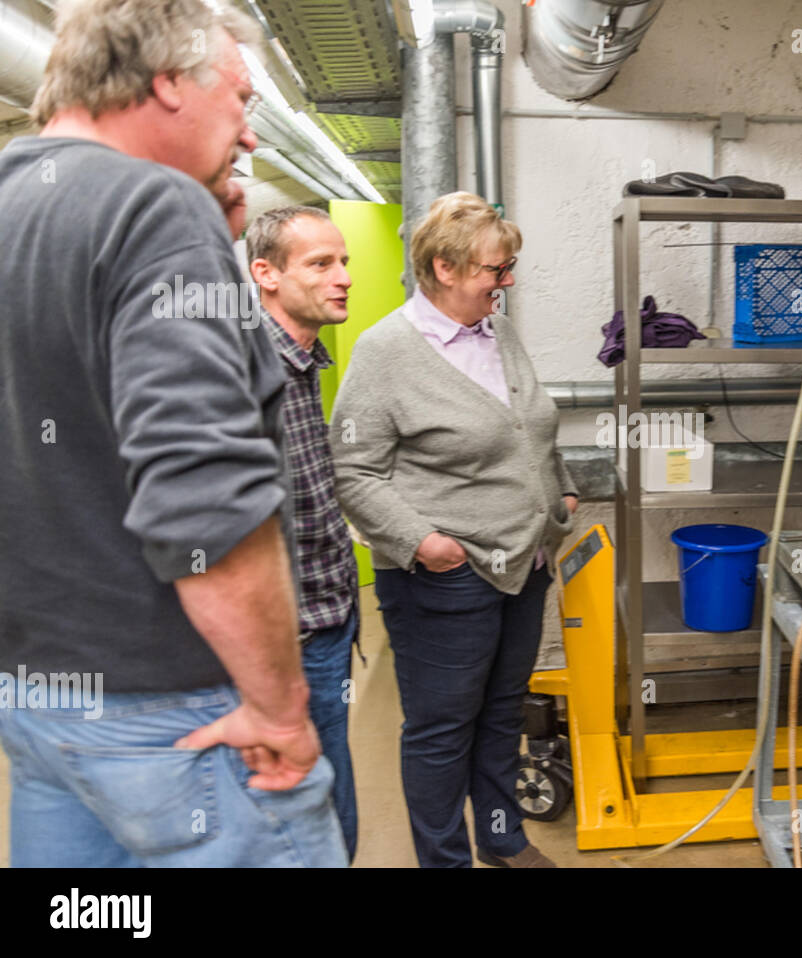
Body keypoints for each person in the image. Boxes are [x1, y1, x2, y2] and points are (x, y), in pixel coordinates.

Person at [0, 0, 346, 867]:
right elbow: (204, 507)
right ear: (168, 84)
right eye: (240, 98)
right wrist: (276, 705)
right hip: (177, 714)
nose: (251, 137)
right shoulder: (150, 207)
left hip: (39, 703)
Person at [330, 191, 578, 868]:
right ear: (444, 268)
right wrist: (423, 544)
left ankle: (501, 836)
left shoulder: (496, 332)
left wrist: (561, 489)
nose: (508, 281)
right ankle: (445, 860)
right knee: (443, 730)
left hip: (523, 564)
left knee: (501, 715)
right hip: (444, 578)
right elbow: (354, 470)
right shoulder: (387, 352)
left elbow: (530, 425)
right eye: (497, 269)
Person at [247, 206, 361, 861]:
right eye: (320, 264)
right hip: (291, 630)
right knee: (308, 794)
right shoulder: (249, 368)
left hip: (330, 611)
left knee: (330, 775)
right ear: (265, 274)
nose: (342, 277)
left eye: (344, 260)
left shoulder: (305, 360)